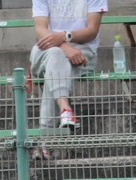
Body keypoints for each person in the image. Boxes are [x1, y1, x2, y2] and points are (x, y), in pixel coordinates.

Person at [29, 0, 107, 145]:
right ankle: (65, 107)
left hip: (81, 50)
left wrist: (65, 37)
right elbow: (40, 29)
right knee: (56, 55)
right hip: (45, 48)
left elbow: (92, 31)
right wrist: (64, 46)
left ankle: (44, 142)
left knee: (54, 64)